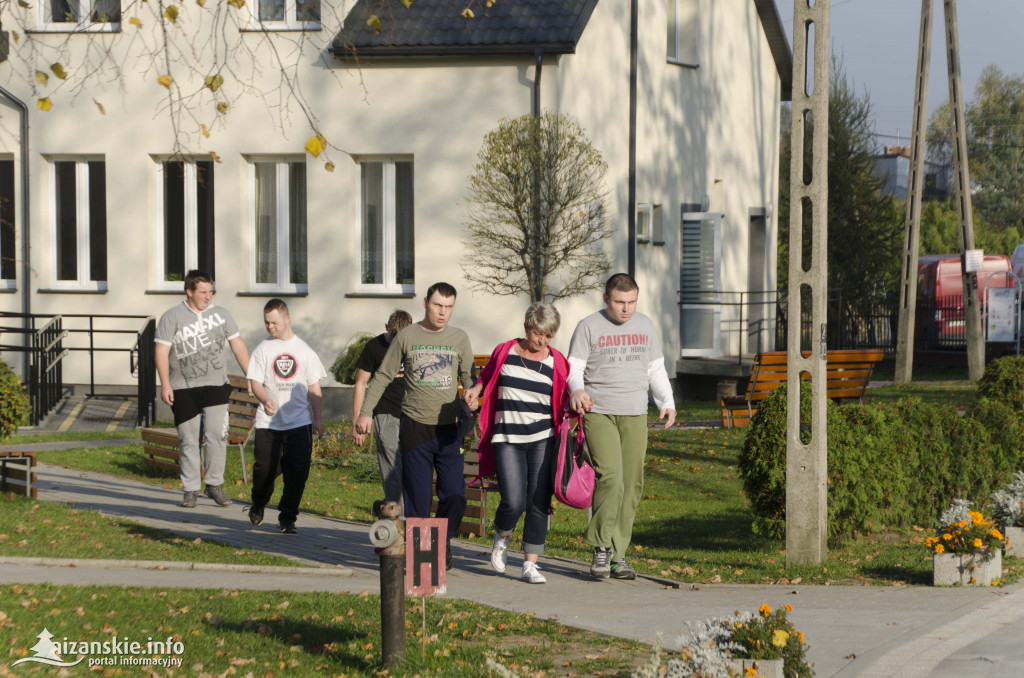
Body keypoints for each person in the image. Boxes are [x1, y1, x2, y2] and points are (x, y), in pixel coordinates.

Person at [354, 282, 475, 569]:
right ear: (425, 303)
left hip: (448, 431)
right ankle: (424, 562)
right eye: (437, 305)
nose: (443, 312)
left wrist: (472, 395)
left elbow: (469, 378)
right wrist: (365, 413)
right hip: (415, 429)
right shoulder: (407, 336)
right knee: (418, 500)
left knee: (455, 495)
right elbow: (382, 376)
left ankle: (441, 540)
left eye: (448, 307)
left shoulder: (460, 338)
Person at [567, 273, 676, 580]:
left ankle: (618, 555)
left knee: (631, 483)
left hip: (635, 413)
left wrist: (666, 401)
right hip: (598, 411)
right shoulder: (588, 326)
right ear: (606, 299)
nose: (626, 309)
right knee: (611, 477)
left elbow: (655, 368)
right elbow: (574, 368)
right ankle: (600, 547)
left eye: (631, 302)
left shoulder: (644, 325)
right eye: (619, 302)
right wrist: (577, 390)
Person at [463, 302, 569, 584]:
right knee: (513, 501)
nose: (542, 341)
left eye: (548, 336)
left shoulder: (556, 361)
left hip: (542, 439)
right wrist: (475, 390)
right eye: (538, 334)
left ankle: (530, 564)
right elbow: (486, 378)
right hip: (507, 437)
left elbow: (564, 397)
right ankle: (502, 535)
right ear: (526, 328)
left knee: (538, 500)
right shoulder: (504, 351)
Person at [155, 269, 250, 509]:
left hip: (216, 386)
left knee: (218, 435)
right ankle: (190, 489)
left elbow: (237, 345)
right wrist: (165, 383)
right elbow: (161, 352)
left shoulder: (222, 315)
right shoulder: (172, 317)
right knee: (188, 440)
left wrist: (251, 375)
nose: (208, 296)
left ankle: (214, 484)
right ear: (189, 291)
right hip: (183, 387)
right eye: (203, 292)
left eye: (211, 291)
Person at [245, 299, 326, 533]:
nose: (270, 327)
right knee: (264, 470)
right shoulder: (263, 349)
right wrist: (264, 399)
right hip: (268, 423)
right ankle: (258, 502)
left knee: (297, 473)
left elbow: (314, 388)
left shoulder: (305, 351)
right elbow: (256, 383)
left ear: (287, 319)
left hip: (299, 422)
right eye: (266, 323)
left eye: (274, 322)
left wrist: (318, 419)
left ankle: (288, 517)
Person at [351, 309, 413, 512]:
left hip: (411, 412)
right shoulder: (374, 347)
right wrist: (357, 420)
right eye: (393, 337)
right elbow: (361, 384)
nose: (397, 343)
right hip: (384, 410)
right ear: (386, 328)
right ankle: (396, 512)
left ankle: (406, 509)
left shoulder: (412, 344)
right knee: (391, 461)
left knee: (411, 463)